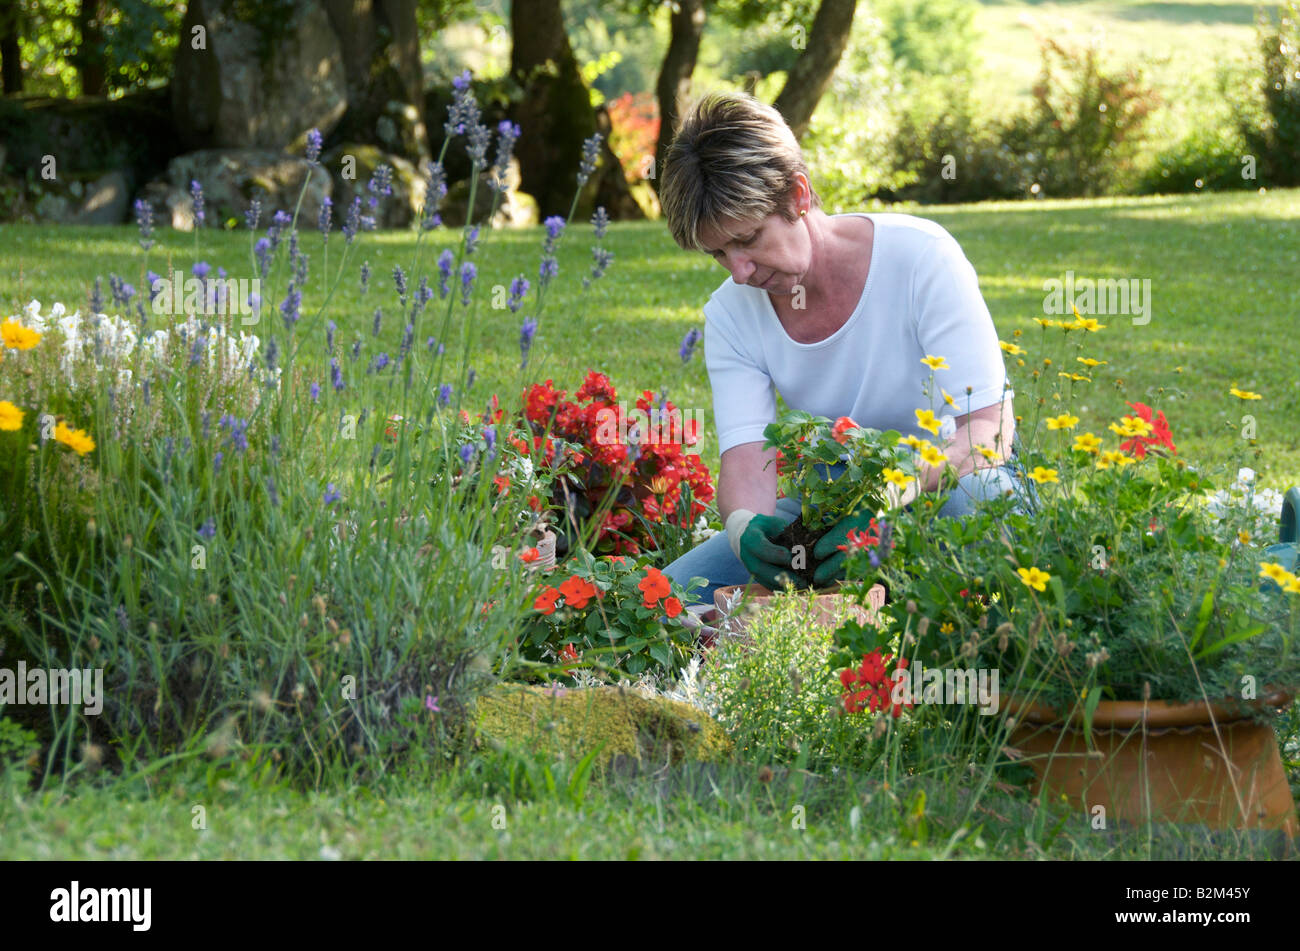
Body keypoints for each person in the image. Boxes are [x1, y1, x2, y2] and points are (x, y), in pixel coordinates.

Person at [656, 91, 1033, 607]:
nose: (738, 270)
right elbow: (747, 460)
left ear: (798, 194)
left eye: (747, 239)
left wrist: (890, 497)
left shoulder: (921, 258)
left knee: (977, 511)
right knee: (671, 597)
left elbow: (988, 430)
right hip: (835, 513)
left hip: (953, 488)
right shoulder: (731, 314)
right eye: (718, 253)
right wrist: (745, 528)